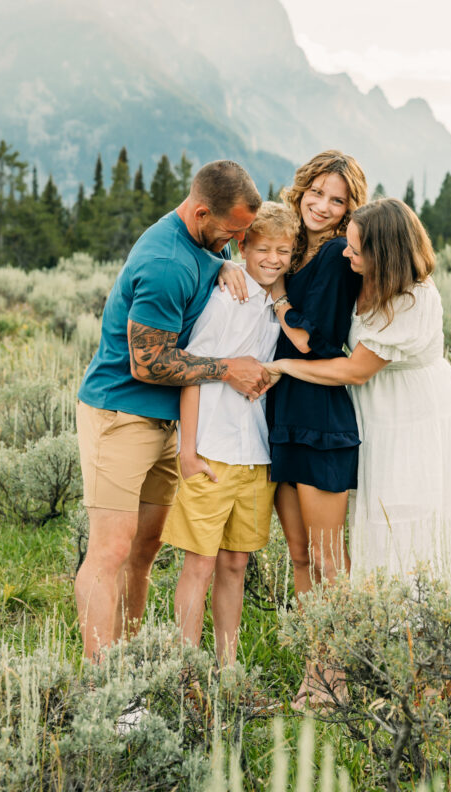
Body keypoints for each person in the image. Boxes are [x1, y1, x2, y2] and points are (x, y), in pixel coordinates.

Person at [74, 160, 268, 660]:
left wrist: (225, 262)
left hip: (168, 424)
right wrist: (227, 369)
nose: (237, 241)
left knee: (143, 553)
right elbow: (147, 362)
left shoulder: (203, 241)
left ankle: (133, 667)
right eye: (232, 232)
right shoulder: (165, 263)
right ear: (202, 212)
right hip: (121, 416)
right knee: (111, 551)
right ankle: (103, 685)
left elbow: (211, 260)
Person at [267, 198, 451, 585]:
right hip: (376, 408)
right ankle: (374, 625)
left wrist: (282, 367)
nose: (345, 252)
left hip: (413, 411)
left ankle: (418, 624)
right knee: (375, 515)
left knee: (408, 513)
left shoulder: (413, 296)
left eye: (354, 248)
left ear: (384, 253)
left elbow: (356, 370)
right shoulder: (366, 278)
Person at [163, 203, 298, 666]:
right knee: (198, 564)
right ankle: (185, 675)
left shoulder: (274, 304)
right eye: (263, 249)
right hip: (212, 453)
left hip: (254, 455)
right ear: (243, 246)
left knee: (236, 564)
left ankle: (227, 669)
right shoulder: (228, 300)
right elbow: (192, 372)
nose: (274, 259)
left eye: (284, 250)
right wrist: (188, 451)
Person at [267, 150, 368, 706]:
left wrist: (279, 296)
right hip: (283, 411)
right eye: (318, 192)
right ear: (302, 187)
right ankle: (316, 670)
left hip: (320, 417)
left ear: (350, 210)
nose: (323, 206)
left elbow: (313, 342)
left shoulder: (332, 256)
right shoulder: (293, 246)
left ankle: (340, 676)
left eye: (338, 200)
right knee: (300, 556)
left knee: (330, 559)